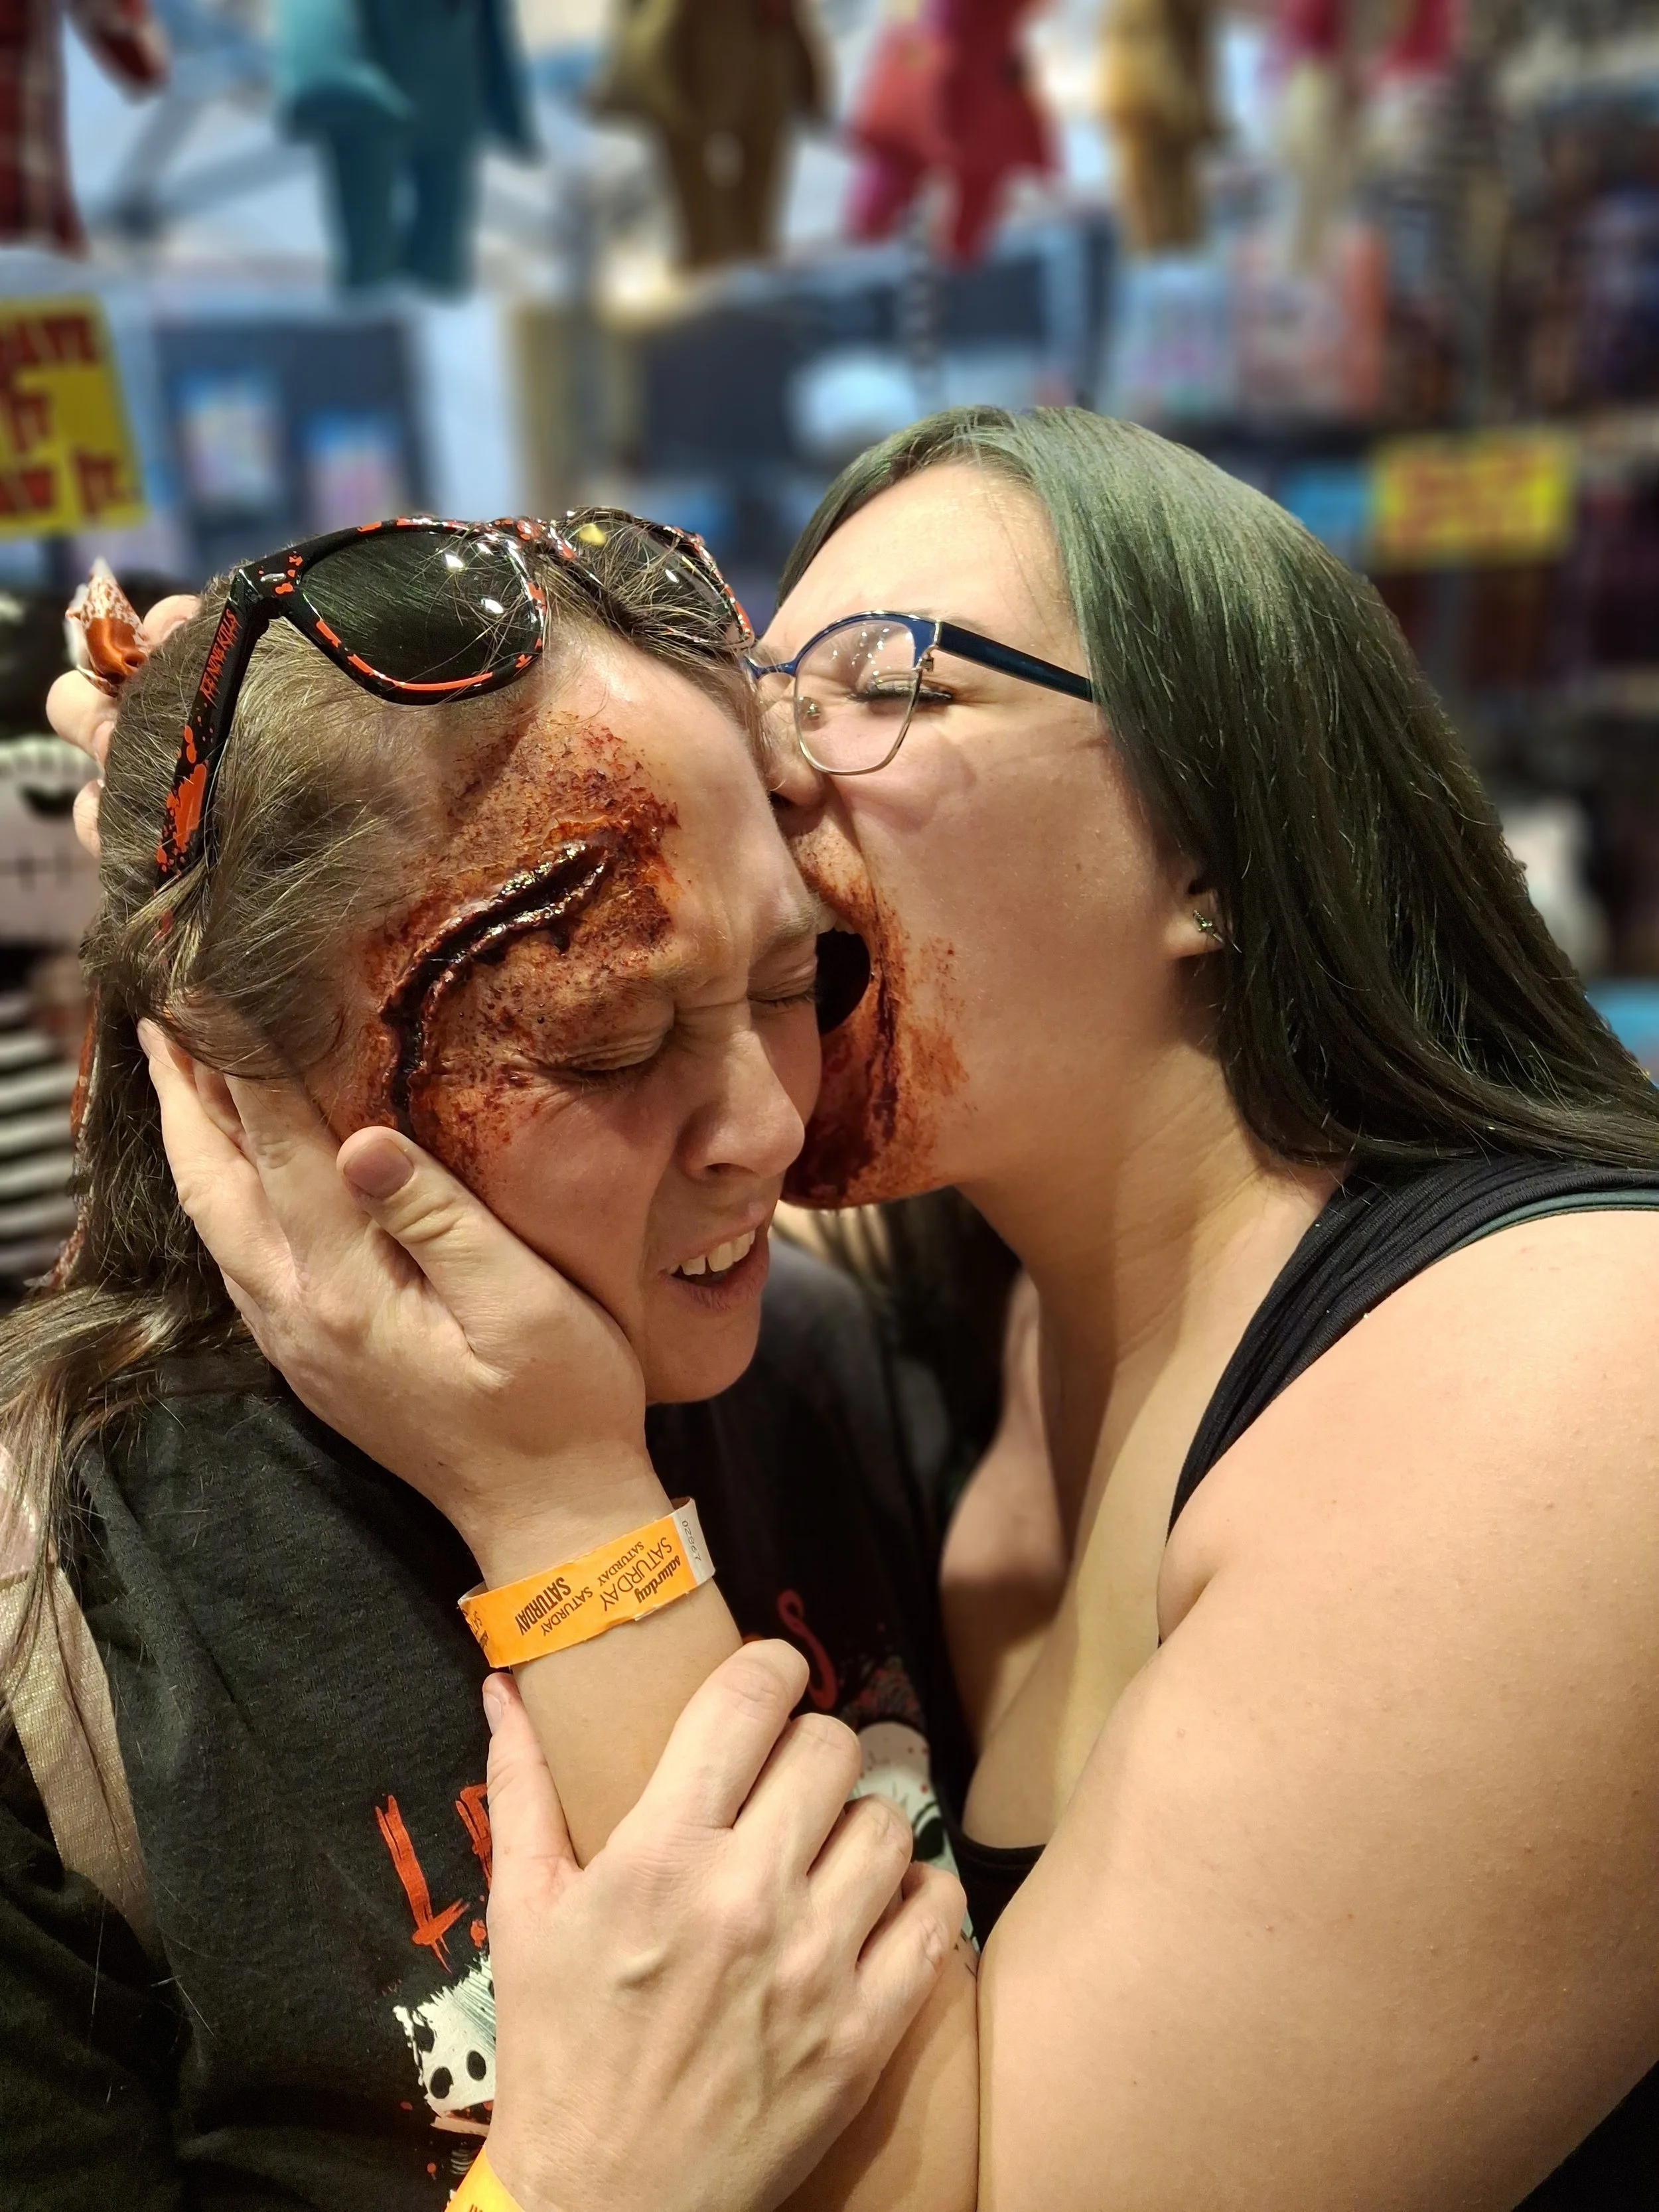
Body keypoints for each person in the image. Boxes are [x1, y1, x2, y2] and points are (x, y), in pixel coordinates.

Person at [50, 407, 1659, 2211]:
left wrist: (561, 1503)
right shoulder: (956, 1297)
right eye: (767, 676)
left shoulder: (1570, 1381)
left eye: (883, 673)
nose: (779, 750)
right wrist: (268, 793)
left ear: (1213, 839)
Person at [0, 514, 974, 2211]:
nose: (763, 1121)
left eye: (789, 975)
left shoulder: (825, 1361)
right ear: (237, 1081)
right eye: (604, 1039)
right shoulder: (56, 1616)